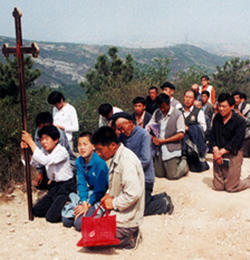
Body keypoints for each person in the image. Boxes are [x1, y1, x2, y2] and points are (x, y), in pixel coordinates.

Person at [91, 126, 144, 250]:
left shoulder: (127, 161)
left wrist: (113, 203)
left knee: (95, 241)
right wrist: (109, 194)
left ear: (113, 145)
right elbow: (115, 185)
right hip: (118, 213)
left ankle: (130, 237)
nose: (98, 154)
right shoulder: (116, 157)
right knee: (89, 230)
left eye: (100, 150)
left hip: (127, 219)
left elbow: (133, 194)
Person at [111, 112, 174, 216]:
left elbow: (145, 160)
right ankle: (159, 197)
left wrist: (128, 170)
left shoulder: (144, 135)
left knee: (137, 210)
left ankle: (163, 203)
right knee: (126, 204)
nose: (122, 131)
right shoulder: (123, 136)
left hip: (144, 178)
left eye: (123, 128)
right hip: (129, 177)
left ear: (130, 122)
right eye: (119, 129)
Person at [21, 125, 76, 223]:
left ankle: (68, 203)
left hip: (65, 187)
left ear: (55, 140)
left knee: (51, 217)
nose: (43, 142)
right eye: (42, 139)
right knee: (36, 210)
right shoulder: (44, 152)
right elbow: (31, 163)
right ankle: (57, 205)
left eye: (46, 139)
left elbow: (45, 161)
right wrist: (25, 149)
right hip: (54, 186)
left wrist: (31, 142)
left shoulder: (61, 151)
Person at [62, 132, 109, 231]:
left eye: (85, 144)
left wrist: (88, 205)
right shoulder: (79, 161)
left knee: (79, 224)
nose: (82, 148)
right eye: (79, 145)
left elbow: (101, 189)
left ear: (93, 146)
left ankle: (99, 215)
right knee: (66, 220)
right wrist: (84, 202)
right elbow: (81, 183)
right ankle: (88, 214)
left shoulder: (100, 162)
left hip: (102, 195)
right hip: (90, 193)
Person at [210, 93, 250, 192]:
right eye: (219, 106)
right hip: (219, 152)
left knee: (231, 187)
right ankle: (227, 176)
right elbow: (212, 136)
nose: (221, 109)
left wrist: (220, 152)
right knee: (218, 187)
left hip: (233, 153)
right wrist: (216, 150)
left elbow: (235, 142)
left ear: (232, 107)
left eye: (224, 106)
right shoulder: (217, 118)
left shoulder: (240, 121)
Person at [147, 93, 189, 180]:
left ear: (169, 104)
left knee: (172, 175)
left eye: (164, 107)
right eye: (160, 107)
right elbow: (148, 127)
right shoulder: (157, 112)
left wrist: (164, 141)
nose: (162, 109)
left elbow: (181, 134)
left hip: (171, 148)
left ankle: (184, 163)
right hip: (159, 148)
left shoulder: (178, 114)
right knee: (158, 174)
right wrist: (153, 138)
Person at [33, 112, 76, 190]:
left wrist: (52, 177)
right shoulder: (38, 134)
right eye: (41, 127)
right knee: (40, 184)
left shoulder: (59, 134)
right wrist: (40, 172)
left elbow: (57, 157)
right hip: (48, 163)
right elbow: (40, 154)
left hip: (63, 165)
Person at [182, 89, 209, 172]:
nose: (188, 99)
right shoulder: (179, 111)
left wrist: (189, 128)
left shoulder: (198, 112)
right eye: (186, 97)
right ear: (183, 98)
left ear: (194, 99)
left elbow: (203, 128)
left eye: (190, 97)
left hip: (193, 143)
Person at [232, 91, 250, 157]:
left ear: (241, 99)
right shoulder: (231, 107)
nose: (235, 100)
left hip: (246, 134)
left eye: (237, 98)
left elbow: (248, 121)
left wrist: (241, 116)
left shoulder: (247, 108)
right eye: (234, 98)